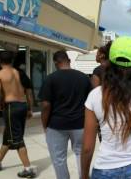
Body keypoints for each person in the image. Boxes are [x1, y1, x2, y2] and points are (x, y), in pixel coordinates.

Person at [81, 36, 131, 179]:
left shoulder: (95, 96)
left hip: (105, 170)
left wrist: (84, 175)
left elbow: (87, 148)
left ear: (110, 63)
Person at [39, 51, 91, 179]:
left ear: (56, 63)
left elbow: (45, 105)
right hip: (80, 124)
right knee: (80, 154)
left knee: (59, 159)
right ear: (69, 61)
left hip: (56, 125)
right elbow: (90, 102)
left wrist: (45, 124)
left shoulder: (50, 78)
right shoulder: (84, 78)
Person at [0, 51, 36, 178]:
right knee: (8, 137)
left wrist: (0, 105)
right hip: (22, 106)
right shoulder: (20, 73)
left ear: (0, 61)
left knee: (17, 139)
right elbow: (29, 92)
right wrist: (30, 109)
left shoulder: (0, 74)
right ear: (12, 61)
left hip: (11, 107)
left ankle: (28, 169)